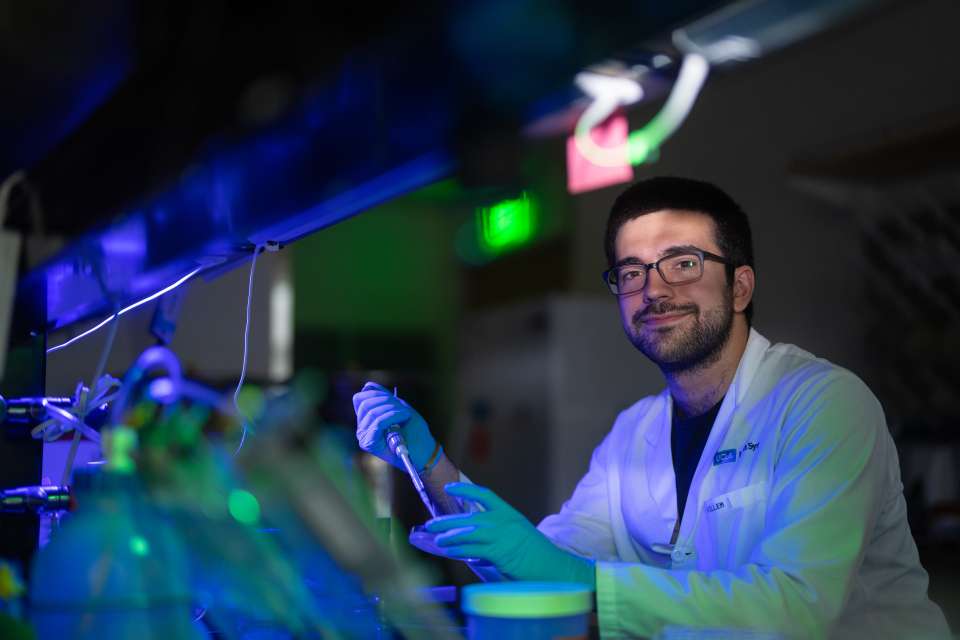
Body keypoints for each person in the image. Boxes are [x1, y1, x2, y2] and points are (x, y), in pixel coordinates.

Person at [353, 177, 949, 639]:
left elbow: (794, 612)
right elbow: (540, 571)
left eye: (684, 263)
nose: (655, 289)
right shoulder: (633, 433)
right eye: (632, 271)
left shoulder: (822, 404)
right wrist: (427, 461)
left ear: (740, 286)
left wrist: (580, 580)